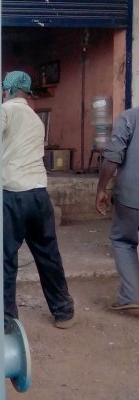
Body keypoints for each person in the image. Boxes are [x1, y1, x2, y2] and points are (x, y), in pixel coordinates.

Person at [1, 71, 75, 329]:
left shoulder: (5, 111)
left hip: (13, 194)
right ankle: (63, 311)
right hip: (39, 194)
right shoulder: (35, 118)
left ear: (9, 89)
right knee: (48, 254)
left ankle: (6, 320)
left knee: (5, 258)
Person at [95, 107, 139, 310]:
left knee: (123, 240)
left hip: (131, 196)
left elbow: (113, 156)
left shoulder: (130, 117)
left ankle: (132, 296)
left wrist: (101, 188)